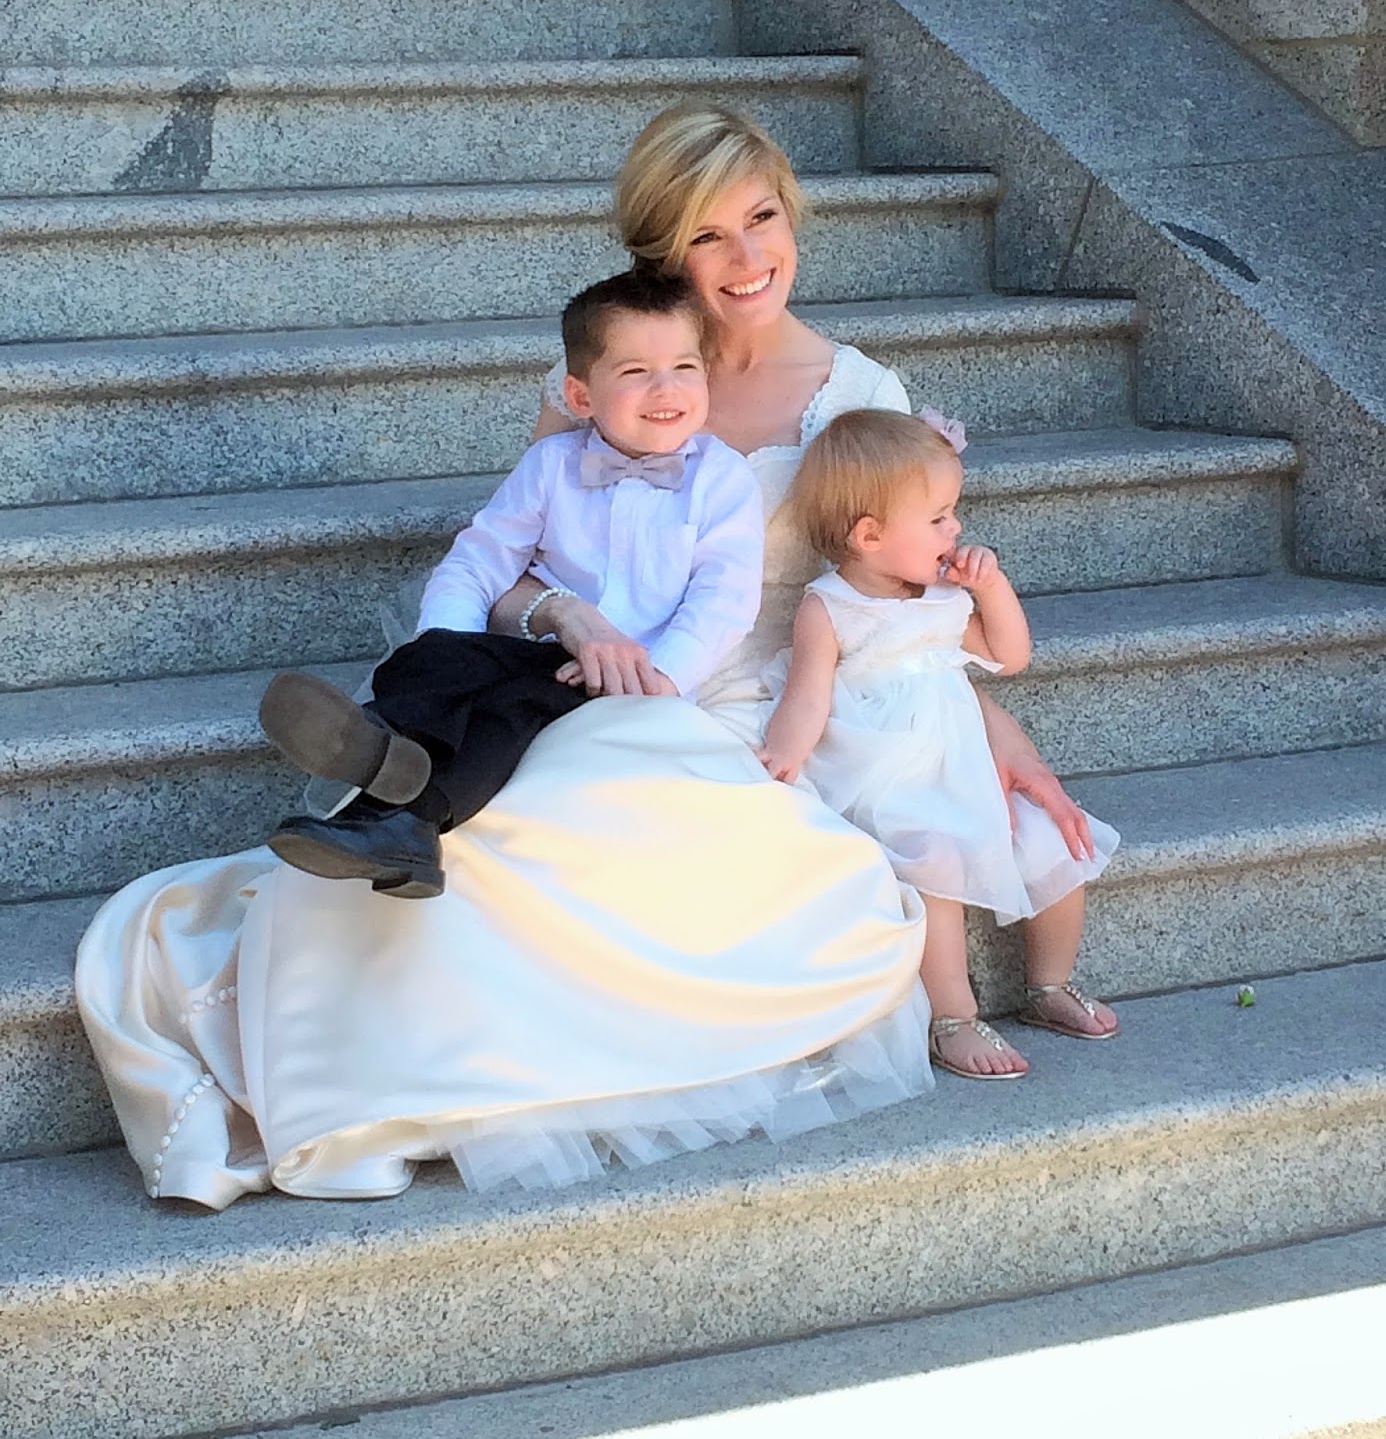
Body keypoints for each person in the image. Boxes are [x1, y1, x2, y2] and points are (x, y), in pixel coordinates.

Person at [75, 104, 1105, 1208]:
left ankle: (441, 1042)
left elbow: (894, 602)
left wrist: (991, 727)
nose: (747, 257)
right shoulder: (608, 366)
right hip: (573, 676)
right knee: (485, 823)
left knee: (590, 838)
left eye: (762, 219)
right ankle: (381, 893)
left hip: (747, 707)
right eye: (708, 235)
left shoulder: (859, 398)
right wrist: (570, 617)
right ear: (663, 250)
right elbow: (511, 558)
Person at [257, 269, 763, 900]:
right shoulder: (550, 465)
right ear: (581, 395)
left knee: (510, 712)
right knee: (430, 660)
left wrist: (660, 675)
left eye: (685, 367)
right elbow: (480, 559)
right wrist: (448, 645)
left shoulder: (722, 479)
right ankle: (382, 764)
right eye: (636, 371)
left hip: (626, 676)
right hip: (541, 645)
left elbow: (725, 597)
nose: (666, 388)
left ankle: (391, 810)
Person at [760, 408, 1120, 1080]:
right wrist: (782, 758)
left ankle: (1049, 982)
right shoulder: (828, 606)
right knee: (935, 861)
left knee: (1054, 841)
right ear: (869, 535)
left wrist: (993, 589)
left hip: (961, 765)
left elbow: (1009, 657)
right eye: (938, 518)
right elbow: (807, 696)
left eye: (953, 513)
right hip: (888, 772)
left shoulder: (945, 597)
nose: (955, 530)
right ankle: (952, 1014)